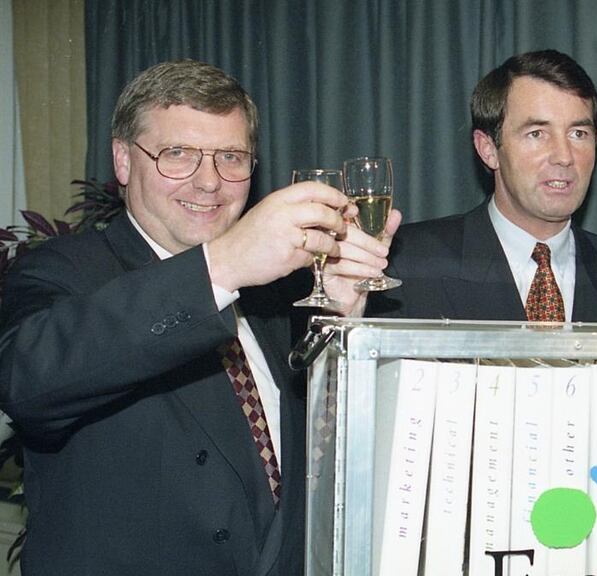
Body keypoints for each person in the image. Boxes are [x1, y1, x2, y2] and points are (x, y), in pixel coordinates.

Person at [0, 60, 382, 576]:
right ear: (123, 161)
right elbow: (29, 383)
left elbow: (323, 451)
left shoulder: (275, 287)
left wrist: (341, 318)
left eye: (231, 156)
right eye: (177, 154)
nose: (209, 182)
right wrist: (221, 264)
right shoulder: (61, 269)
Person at [359, 49, 597, 322]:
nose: (565, 156)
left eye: (578, 133)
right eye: (537, 133)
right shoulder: (404, 268)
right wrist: (346, 310)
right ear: (488, 149)